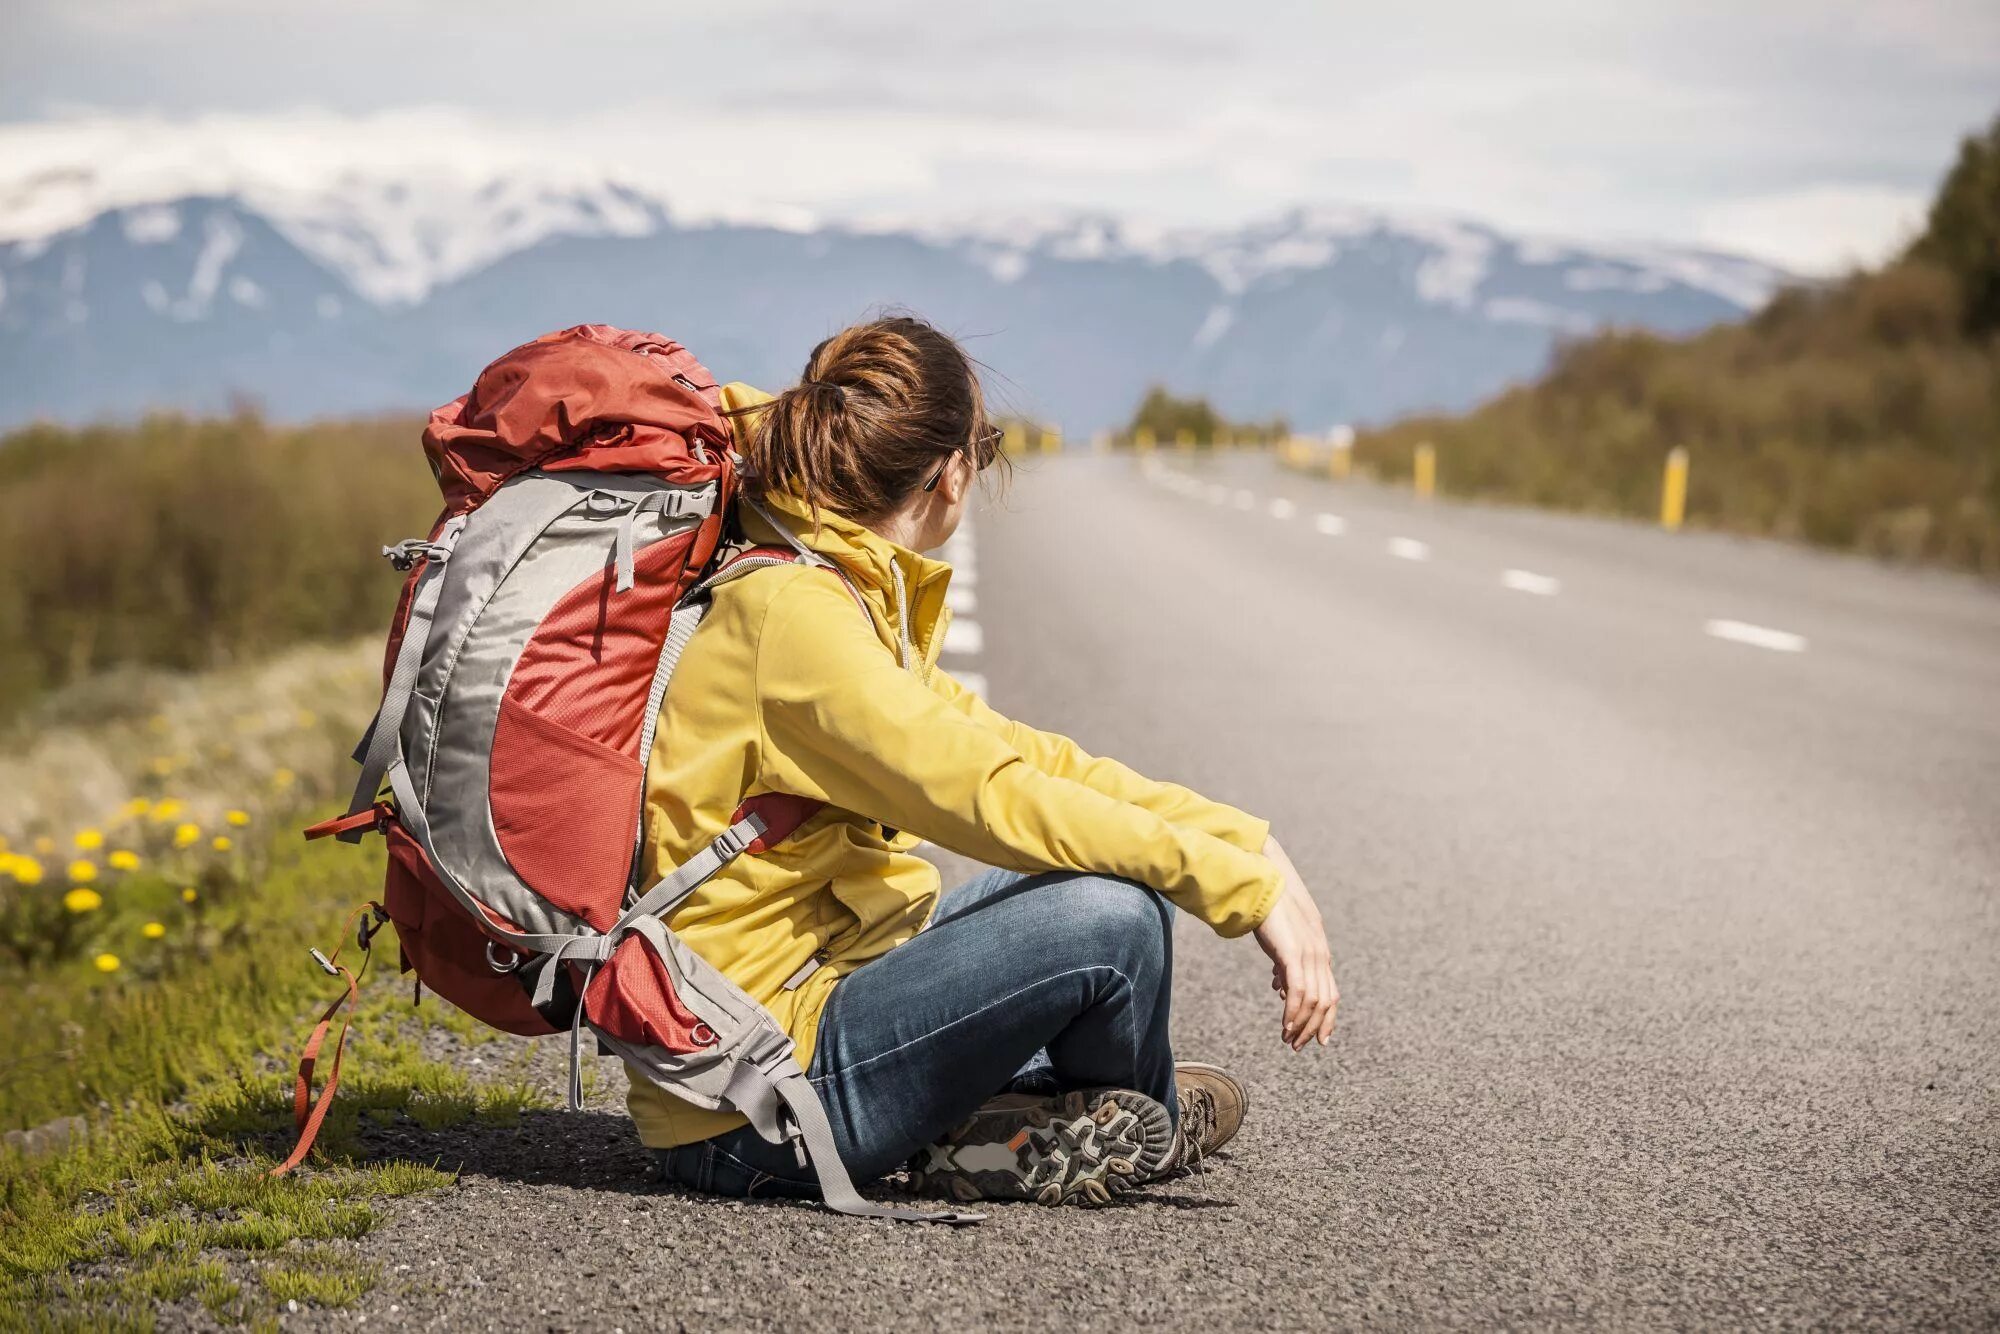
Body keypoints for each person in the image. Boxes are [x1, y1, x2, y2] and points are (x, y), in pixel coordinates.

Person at [639, 315, 1338, 1206]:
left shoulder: (828, 581)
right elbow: (987, 795)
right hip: (753, 1101)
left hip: (821, 1001)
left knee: (1123, 891)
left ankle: (1029, 1124)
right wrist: (1239, 894)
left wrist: (1243, 844)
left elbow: (1018, 752)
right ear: (951, 470)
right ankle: (1116, 1122)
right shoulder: (795, 618)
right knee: (1113, 921)